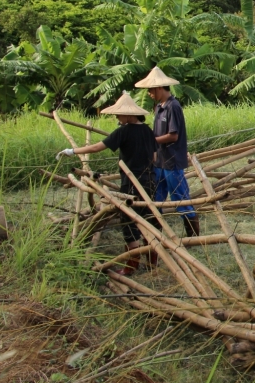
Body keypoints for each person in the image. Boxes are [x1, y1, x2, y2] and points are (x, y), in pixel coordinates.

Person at [56, 92, 159, 276]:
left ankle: (131, 265)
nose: (117, 118)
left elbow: (97, 147)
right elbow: (154, 156)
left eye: (119, 114)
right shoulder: (148, 131)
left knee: (128, 222)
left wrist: (72, 151)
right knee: (148, 220)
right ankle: (152, 262)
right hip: (150, 181)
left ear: (129, 114)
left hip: (132, 184)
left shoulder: (124, 132)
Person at [134, 66, 199, 238]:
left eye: (150, 90)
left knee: (181, 198)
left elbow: (173, 136)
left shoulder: (173, 106)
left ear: (159, 88)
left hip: (172, 160)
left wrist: (150, 141)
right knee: (157, 199)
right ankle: (157, 233)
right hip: (160, 161)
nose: (149, 93)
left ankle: (194, 236)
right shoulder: (158, 107)